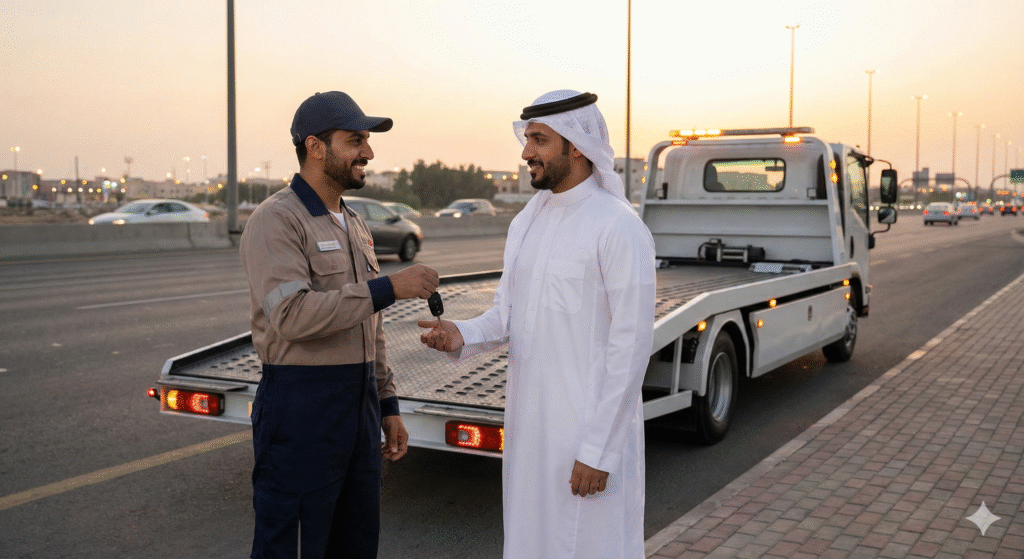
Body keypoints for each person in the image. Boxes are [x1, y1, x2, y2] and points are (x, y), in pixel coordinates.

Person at [419, 90, 656, 559]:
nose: (527, 152)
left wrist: (599, 450)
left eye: (539, 140)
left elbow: (630, 348)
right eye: (527, 138)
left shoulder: (618, 226)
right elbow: (509, 314)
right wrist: (461, 333)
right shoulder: (527, 222)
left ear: (577, 146)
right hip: (531, 431)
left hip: (587, 437)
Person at [240, 91, 440, 559]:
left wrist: (387, 404)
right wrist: (390, 287)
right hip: (300, 408)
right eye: (355, 141)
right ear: (315, 147)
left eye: (366, 141)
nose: (367, 153)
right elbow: (292, 316)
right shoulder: (277, 220)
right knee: (292, 546)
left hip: (359, 410)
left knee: (354, 542)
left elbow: (372, 327)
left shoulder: (354, 224)